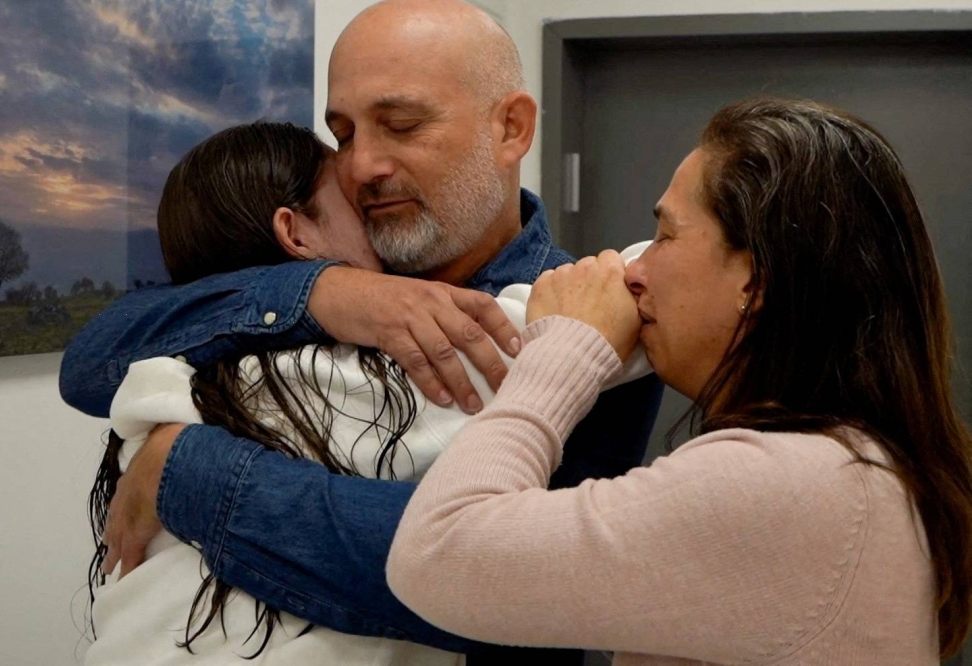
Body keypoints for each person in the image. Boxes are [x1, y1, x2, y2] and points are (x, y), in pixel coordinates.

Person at [62, 0, 663, 662]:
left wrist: (188, 468)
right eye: (343, 135)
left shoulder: (586, 318)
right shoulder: (306, 278)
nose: (361, 166)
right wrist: (318, 293)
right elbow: (91, 365)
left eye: (401, 125)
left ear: (511, 129)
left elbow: (536, 587)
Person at [386, 98, 972, 664]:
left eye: (665, 237)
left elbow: (434, 554)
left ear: (755, 281)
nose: (635, 271)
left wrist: (561, 352)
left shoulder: (787, 484)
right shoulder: (850, 468)